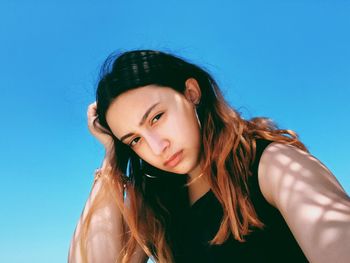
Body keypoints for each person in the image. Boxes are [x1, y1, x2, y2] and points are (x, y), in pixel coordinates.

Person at [68, 50, 350, 263]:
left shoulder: (272, 165)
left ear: (191, 93)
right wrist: (111, 156)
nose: (157, 146)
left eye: (156, 117)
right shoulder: (159, 207)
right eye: (135, 139)